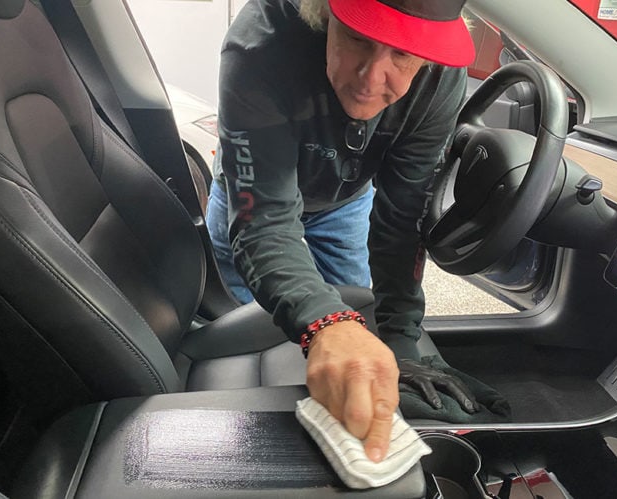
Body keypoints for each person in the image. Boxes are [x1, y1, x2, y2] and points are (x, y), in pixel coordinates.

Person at [206, 0, 481, 462]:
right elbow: (265, 221)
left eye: (401, 56)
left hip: (346, 203)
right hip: (256, 196)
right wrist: (324, 323)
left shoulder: (439, 79)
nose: (371, 79)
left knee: (357, 323)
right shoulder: (261, 45)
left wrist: (400, 340)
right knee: (265, 329)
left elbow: (402, 217)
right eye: (357, 39)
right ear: (325, 15)